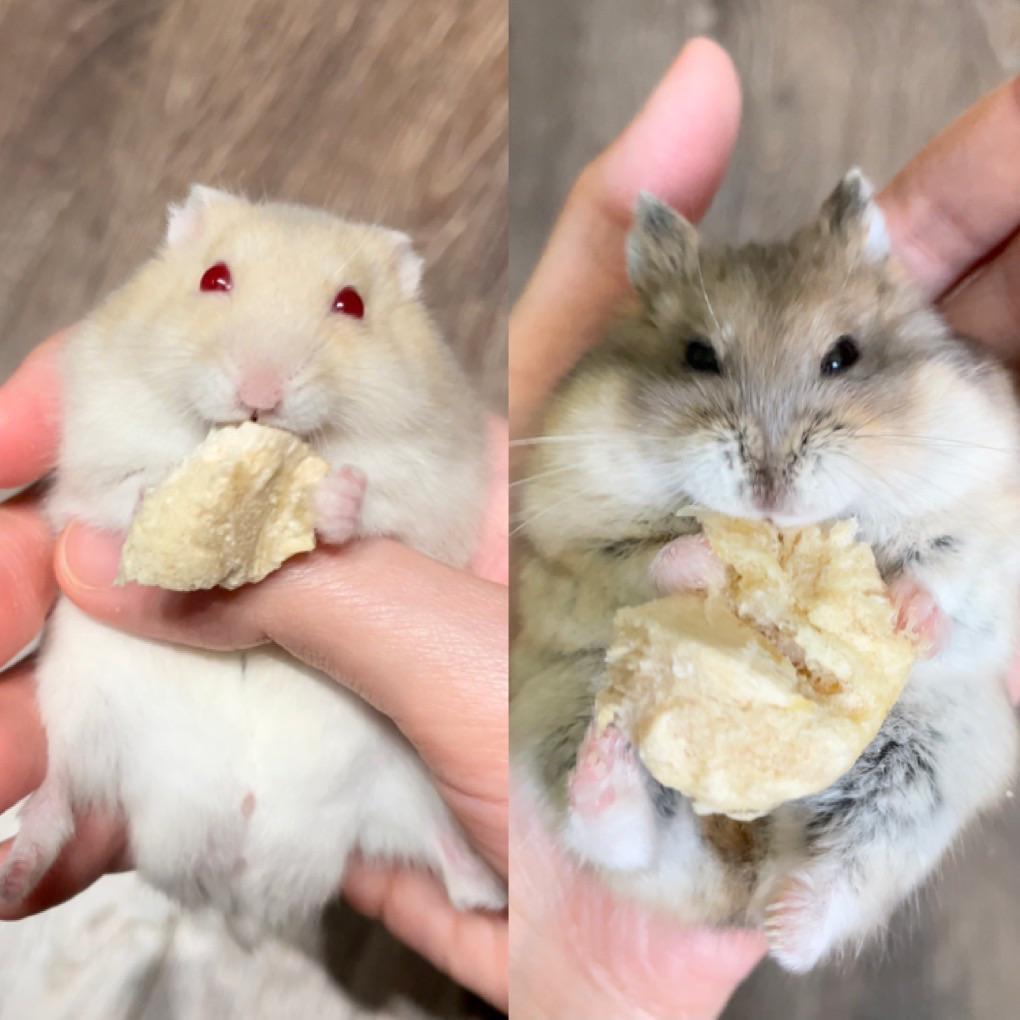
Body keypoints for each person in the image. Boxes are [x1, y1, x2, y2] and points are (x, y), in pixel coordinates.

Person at [509, 38, 1020, 1020]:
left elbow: (982, 548)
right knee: (556, 705)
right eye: (706, 360)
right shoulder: (592, 452)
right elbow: (571, 558)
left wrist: (935, 599)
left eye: (835, 361)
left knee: (955, 744)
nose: (771, 458)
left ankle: (835, 886)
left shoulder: (950, 437)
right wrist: (662, 574)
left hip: (883, 729)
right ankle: (626, 832)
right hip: (650, 779)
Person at [0, 355, 509, 1004]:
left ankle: (449, 850)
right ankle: (57, 800)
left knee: (381, 745)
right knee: (84, 671)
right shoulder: (122, 409)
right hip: (190, 765)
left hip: (315, 790)